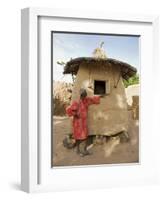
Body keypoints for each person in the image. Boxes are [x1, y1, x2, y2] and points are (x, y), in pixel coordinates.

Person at [66, 88, 102, 156]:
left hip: (83, 123)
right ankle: (81, 151)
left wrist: (99, 96)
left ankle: (81, 151)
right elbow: (68, 110)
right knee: (80, 138)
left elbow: (92, 99)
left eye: (85, 95)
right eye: (83, 95)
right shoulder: (76, 103)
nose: (84, 97)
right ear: (80, 95)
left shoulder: (85, 100)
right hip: (78, 123)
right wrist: (75, 114)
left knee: (83, 136)